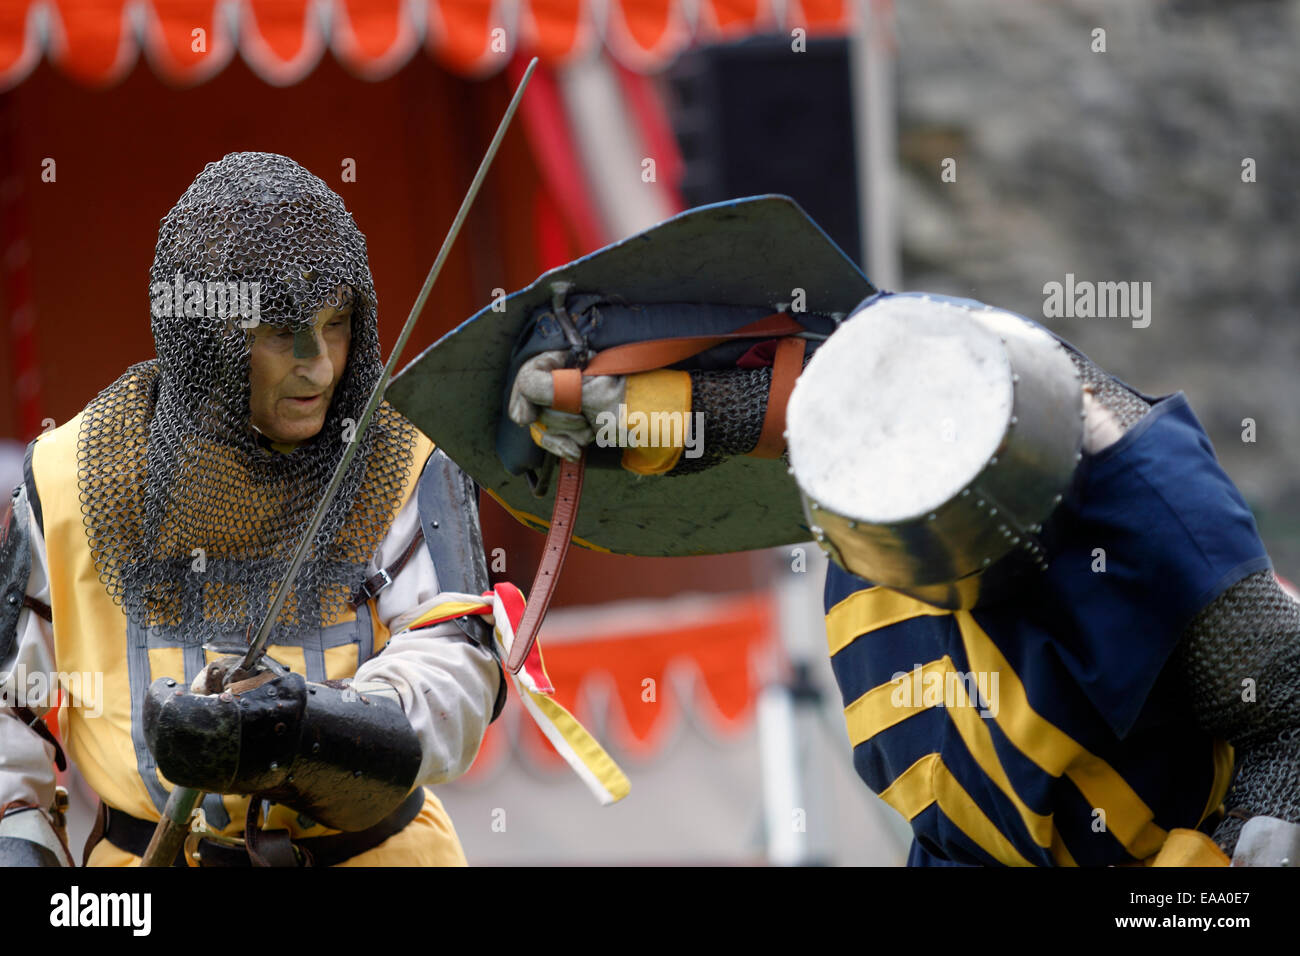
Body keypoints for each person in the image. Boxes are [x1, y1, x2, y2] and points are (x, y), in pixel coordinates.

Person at [505, 288, 1299, 867]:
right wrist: (628, 405)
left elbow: (1290, 718)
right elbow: (795, 397)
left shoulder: (1151, 513)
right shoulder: (884, 386)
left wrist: (1231, 869)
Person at [0, 152, 504, 867]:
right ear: (203, 336)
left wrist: (309, 729)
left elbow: (460, 667)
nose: (321, 365)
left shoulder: (402, 460)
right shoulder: (73, 474)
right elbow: (9, 704)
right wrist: (20, 845)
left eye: (335, 325)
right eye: (282, 333)